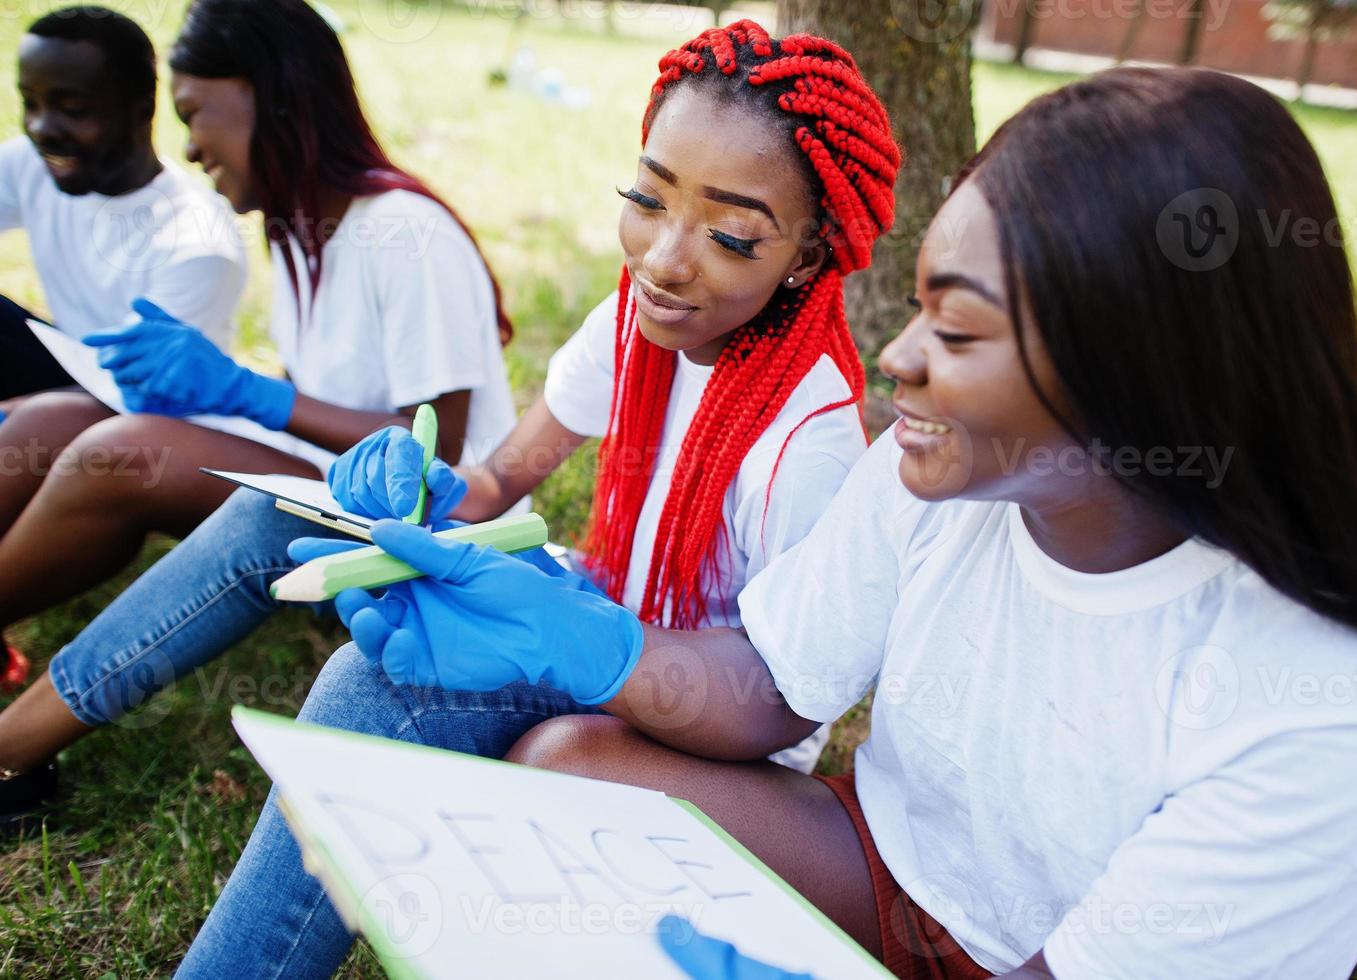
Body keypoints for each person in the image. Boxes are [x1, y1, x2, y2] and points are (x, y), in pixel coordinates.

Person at [197, 66, 1357, 978]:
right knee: (566, 774)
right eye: (917, 306)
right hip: (876, 862)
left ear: (1146, 372)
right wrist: (580, 647)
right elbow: (765, 684)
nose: (900, 358)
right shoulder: (945, 479)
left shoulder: (1333, 711)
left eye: (958, 329)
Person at [0, 18, 897, 842]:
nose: (663, 260)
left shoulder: (807, 446)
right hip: (601, 623)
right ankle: (17, 743)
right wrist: (433, 488)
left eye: (732, 236)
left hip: (685, 719)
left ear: (806, 254)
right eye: (647, 197)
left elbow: (780, 704)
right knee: (181, 480)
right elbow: (498, 482)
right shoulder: (632, 323)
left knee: (343, 644)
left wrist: (573, 631)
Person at [0, 0, 518, 814]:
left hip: (424, 532)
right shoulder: (304, 233)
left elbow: (434, 462)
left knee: (120, 450)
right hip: (333, 486)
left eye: (194, 114)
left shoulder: (406, 232)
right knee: (55, 419)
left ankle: (11, 755)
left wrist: (248, 395)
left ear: (268, 94)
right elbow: (326, 396)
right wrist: (216, 387)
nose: (189, 147)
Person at [1, 4, 248, 692]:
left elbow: (133, 394)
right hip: (71, 369)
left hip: (157, 412)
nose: (44, 127)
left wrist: (20, 408)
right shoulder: (32, 163)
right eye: (31, 103)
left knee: (64, 424)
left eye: (72, 107)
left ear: (142, 107)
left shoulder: (195, 240)